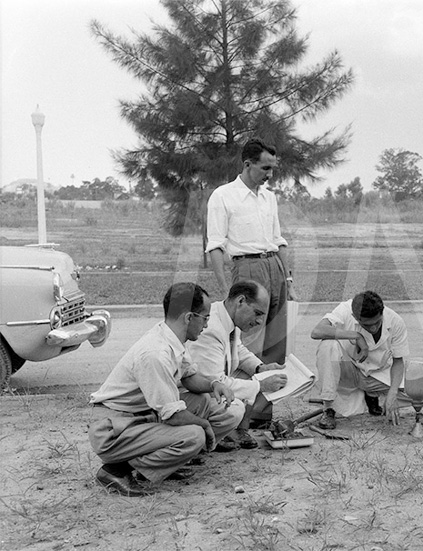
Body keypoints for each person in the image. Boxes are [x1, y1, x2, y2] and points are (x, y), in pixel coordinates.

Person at [88, 283, 244, 497]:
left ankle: (164, 464)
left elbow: (189, 378)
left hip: (139, 417)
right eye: (205, 318)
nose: (206, 325)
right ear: (189, 317)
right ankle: (116, 470)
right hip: (113, 430)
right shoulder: (155, 354)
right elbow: (173, 416)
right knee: (194, 435)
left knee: (207, 403)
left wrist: (214, 385)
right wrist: (204, 424)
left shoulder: (170, 336)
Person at [206, 138, 296, 365]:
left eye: (273, 169)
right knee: (249, 341)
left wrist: (288, 280)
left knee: (276, 342)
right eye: (265, 168)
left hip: (275, 267)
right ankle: (245, 397)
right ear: (247, 164)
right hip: (247, 269)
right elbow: (215, 245)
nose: (269, 175)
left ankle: (270, 398)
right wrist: (227, 291)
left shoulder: (269, 198)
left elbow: (278, 241)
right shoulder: (223, 195)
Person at [187, 280, 288, 450]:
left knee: (250, 375)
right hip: (192, 393)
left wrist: (261, 368)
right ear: (240, 301)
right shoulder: (211, 328)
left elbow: (238, 351)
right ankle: (200, 442)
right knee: (234, 410)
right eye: (257, 313)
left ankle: (233, 432)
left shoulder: (228, 316)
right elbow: (214, 381)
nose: (259, 321)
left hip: (207, 386)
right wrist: (261, 385)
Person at [310, 291, 415, 430]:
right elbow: (317, 331)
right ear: (355, 317)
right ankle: (328, 408)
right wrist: (356, 336)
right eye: (366, 325)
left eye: (377, 323)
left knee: (419, 394)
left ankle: (371, 396)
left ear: (382, 312)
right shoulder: (345, 309)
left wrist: (392, 393)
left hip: (376, 376)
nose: (373, 328)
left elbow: (398, 361)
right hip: (349, 372)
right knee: (328, 345)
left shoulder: (396, 321)